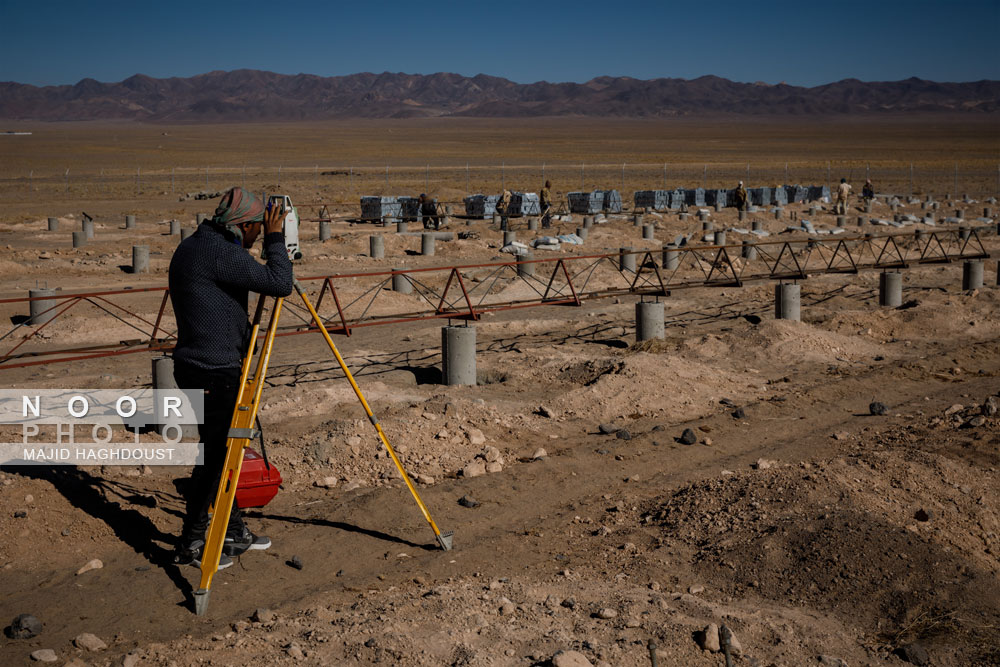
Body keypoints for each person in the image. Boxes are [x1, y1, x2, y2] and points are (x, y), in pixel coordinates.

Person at [168, 187, 293, 569]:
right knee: (216, 456)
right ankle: (190, 542)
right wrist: (276, 240)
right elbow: (280, 282)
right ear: (245, 224)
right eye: (257, 230)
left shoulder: (197, 245)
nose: (255, 239)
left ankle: (233, 528)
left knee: (225, 452)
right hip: (212, 371)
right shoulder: (220, 252)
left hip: (200, 366)